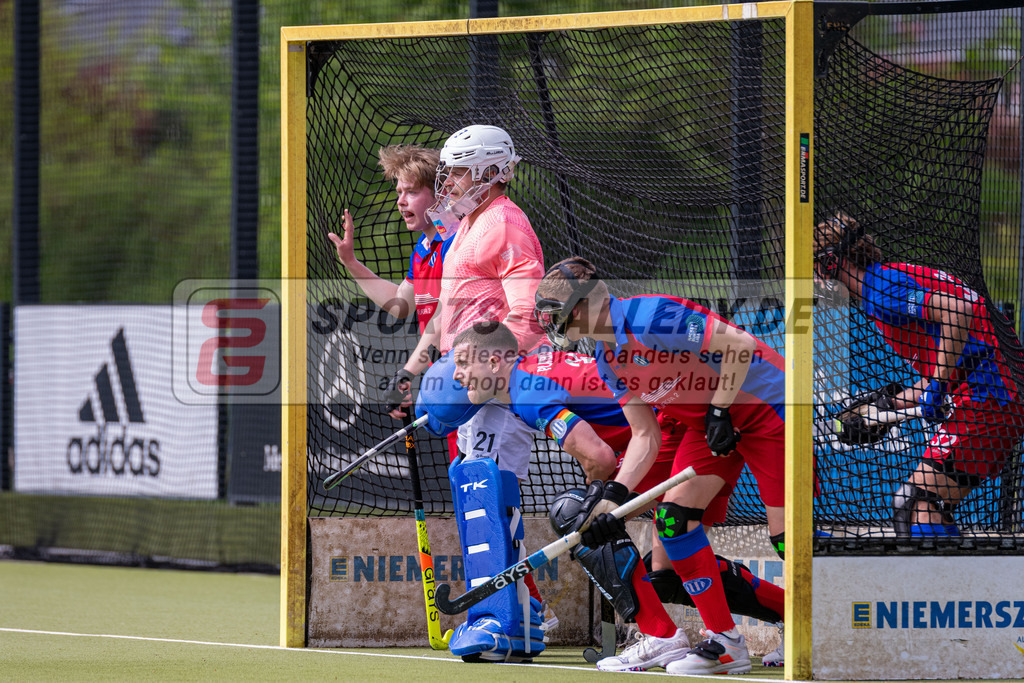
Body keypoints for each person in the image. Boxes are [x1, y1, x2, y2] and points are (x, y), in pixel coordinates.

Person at [443, 320, 786, 672]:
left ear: (496, 362)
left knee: (576, 514)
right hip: (683, 430)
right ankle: (792, 616)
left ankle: (665, 636)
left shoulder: (527, 390)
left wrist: (599, 501)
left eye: (463, 363)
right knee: (666, 571)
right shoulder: (534, 373)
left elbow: (600, 458)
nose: (456, 376)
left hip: (676, 435)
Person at [532, 256, 788, 675]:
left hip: (766, 407)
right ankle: (726, 642)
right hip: (710, 425)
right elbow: (645, 436)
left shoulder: (652, 316)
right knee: (672, 520)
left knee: (787, 540)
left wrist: (721, 410)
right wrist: (613, 500)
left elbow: (738, 347)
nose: (551, 325)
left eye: (554, 315)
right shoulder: (606, 359)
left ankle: (824, 627)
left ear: (579, 308)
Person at [417, 124, 550, 662]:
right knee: (479, 489)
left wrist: (480, 363)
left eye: (459, 170)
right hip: (475, 382)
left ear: (492, 172)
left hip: (500, 383)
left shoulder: (507, 224)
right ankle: (514, 617)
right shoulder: (471, 222)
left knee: (486, 491)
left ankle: (501, 622)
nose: (448, 181)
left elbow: (530, 316)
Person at [814, 212, 1024, 537]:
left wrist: (938, 387)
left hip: (987, 402)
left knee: (914, 504)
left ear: (830, 263)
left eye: (813, 269)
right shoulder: (887, 281)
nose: (813, 281)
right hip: (993, 400)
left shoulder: (882, 288)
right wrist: (889, 405)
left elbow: (959, 311)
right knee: (925, 505)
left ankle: (943, 588)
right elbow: (956, 364)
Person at [327, 143, 452, 421]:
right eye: (399, 192)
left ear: (440, 194)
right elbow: (400, 304)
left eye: (412, 191)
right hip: (449, 379)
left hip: (478, 378)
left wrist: (407, 373)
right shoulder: (424, 247)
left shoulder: (455, 244)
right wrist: (351, 262)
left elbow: (445, 319)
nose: (401, 201)